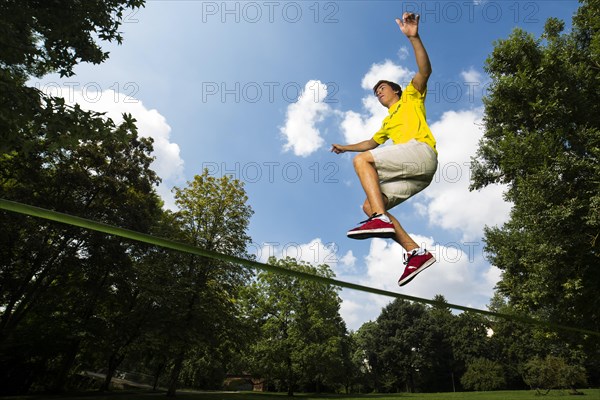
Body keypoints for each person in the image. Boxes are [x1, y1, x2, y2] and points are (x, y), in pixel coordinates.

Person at [331, 12, 438, 286]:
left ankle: (380, 219)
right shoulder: (387, 122)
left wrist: (414, 38)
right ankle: (415, 252)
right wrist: (344, 147)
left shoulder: (412, 97)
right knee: (369, 204)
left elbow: (424, 71)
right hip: (419, 175)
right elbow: (370, 143)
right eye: (375, 92)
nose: (378, 92)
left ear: (396, 90)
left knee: (362, 162)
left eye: (382, 88)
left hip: (422, 152)